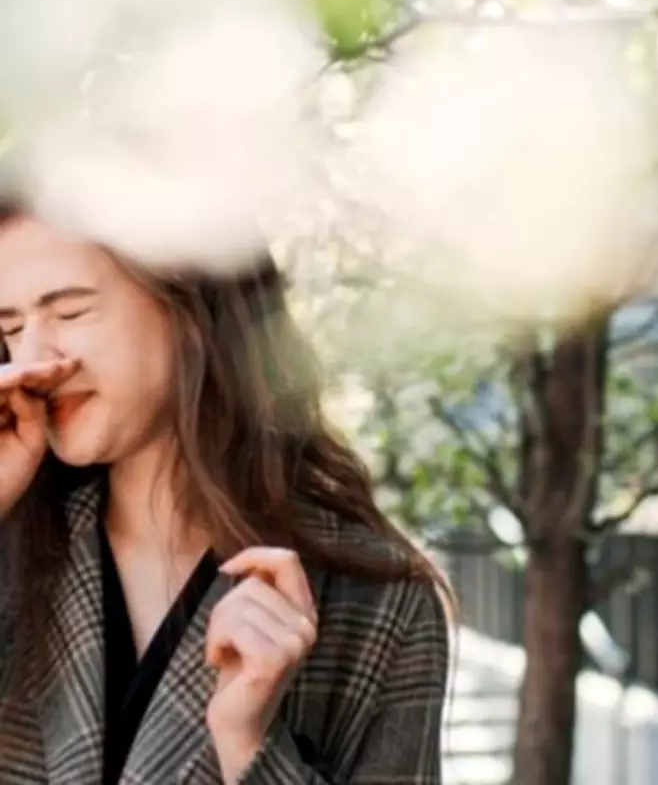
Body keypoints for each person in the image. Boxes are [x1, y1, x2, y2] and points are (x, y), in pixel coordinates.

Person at [0, 202, 451, 785]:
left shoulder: (377, 599)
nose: (34, 358)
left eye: (70, 311)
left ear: (190, 305)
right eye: (9, 328)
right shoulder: (13, 543)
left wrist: (252, 749)